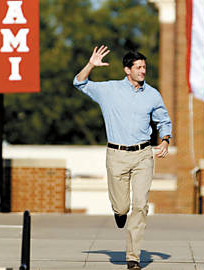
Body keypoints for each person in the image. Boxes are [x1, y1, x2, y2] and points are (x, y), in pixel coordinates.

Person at [73, 45, 172, 270]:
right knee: (122, 207)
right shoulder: (109, 90)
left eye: (144, 67)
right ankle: (119, 213)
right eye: (138, 67)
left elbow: (163, 120)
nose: (142, 71)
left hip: (143, 155)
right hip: (116, 155)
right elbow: (79, 83)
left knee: (140, 206)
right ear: (127, 70)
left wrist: (165, 139)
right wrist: (90, 65)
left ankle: (133, 257)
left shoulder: (152, 94)